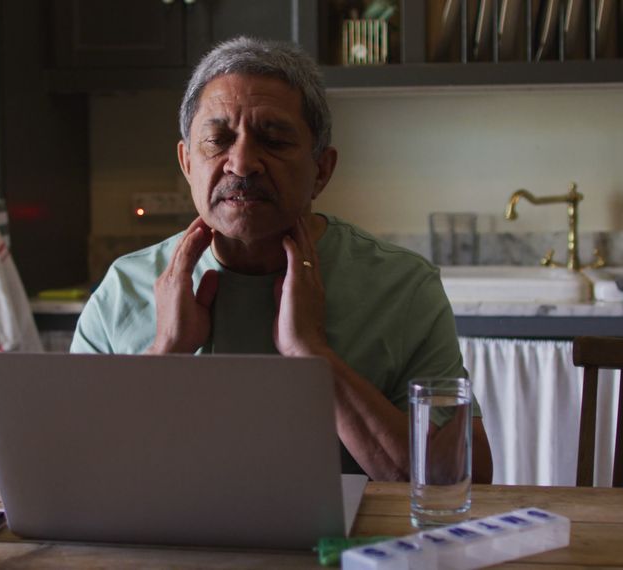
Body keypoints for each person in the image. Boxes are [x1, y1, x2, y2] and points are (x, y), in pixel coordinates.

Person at [71, 36, 492, 483]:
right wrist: (167, 348)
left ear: (321, 171)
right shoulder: (124, 287)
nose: (243, 163)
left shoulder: (404, 287)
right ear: (187, 163)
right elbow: (69, 469)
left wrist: (313, 354)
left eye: (273, 140)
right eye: (218, 140)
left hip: (344, 552)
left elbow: (463, 482)